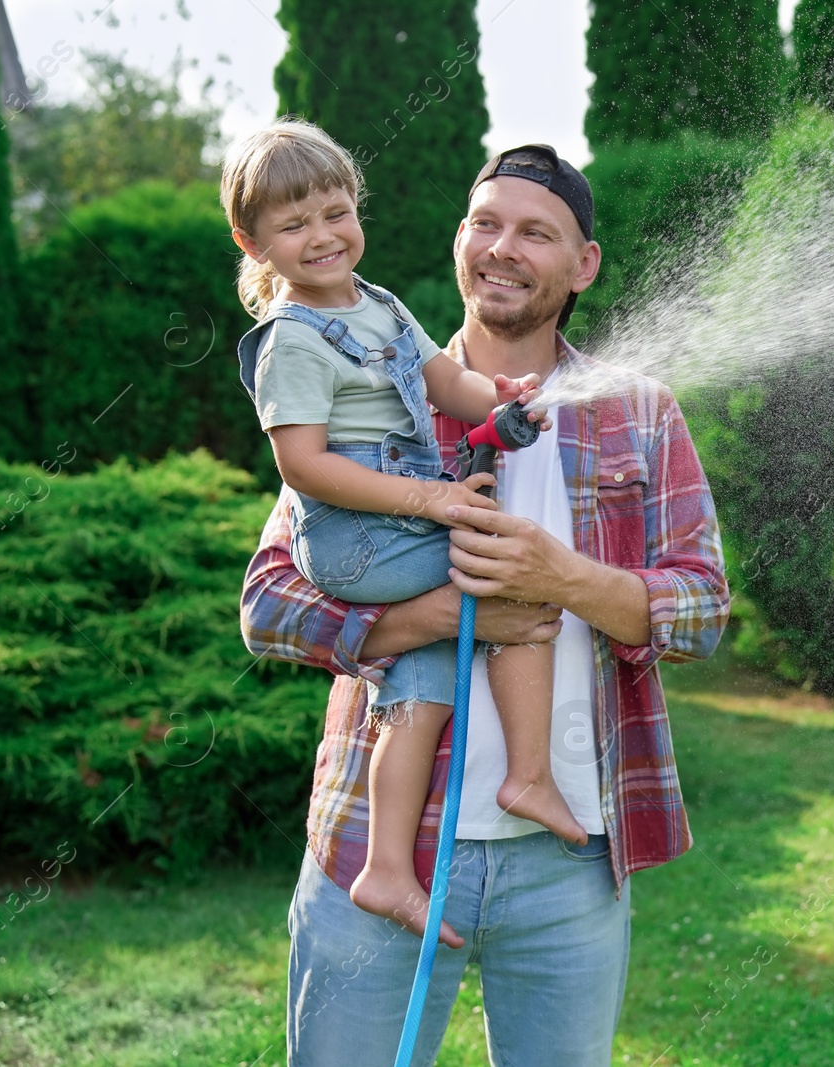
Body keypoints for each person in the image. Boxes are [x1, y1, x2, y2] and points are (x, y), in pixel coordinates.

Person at [239, 141, 728, 1066]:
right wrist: (431, 621)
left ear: (582, 265)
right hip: (378, 851)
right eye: (486, 224)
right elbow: (268, 604)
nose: (503, 248)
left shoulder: (640, 413)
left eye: (535, 233)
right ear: (460, 241)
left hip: (569, 856)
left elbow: (702, 609)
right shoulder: (372, 382)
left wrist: (561, 579)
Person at [224, 120, 587, 952]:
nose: (321, 235)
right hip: (356, 541)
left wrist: (497, 399)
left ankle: (386, 866)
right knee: (514, 570)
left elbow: (445, 381)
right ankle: (529, 777)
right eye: (293, 224)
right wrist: (433, 498)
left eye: (334, 210)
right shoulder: (291, 341)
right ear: (253, 242)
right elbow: (308, 467)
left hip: (392, 528)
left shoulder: (381, 307)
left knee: (418, 690)